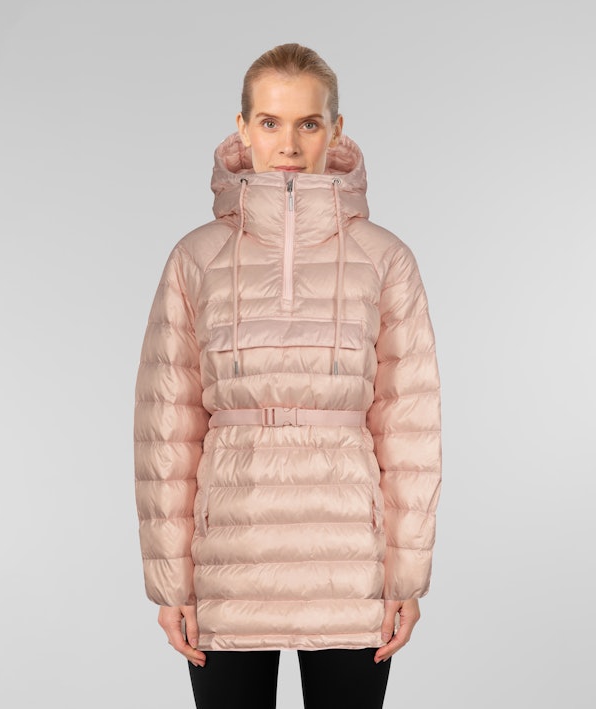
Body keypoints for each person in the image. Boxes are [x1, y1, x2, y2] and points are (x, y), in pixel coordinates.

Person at [134, 43, 442, 709]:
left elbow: (410, 427)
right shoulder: (196, 257)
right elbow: (167, 431)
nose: (290, 144)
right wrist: (170, 582)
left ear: (336, 129)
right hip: (227, 557)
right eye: (270, 122)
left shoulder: (385, 258)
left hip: (350, 561)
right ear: (242, 128)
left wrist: (407, 575)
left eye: (309, 123)